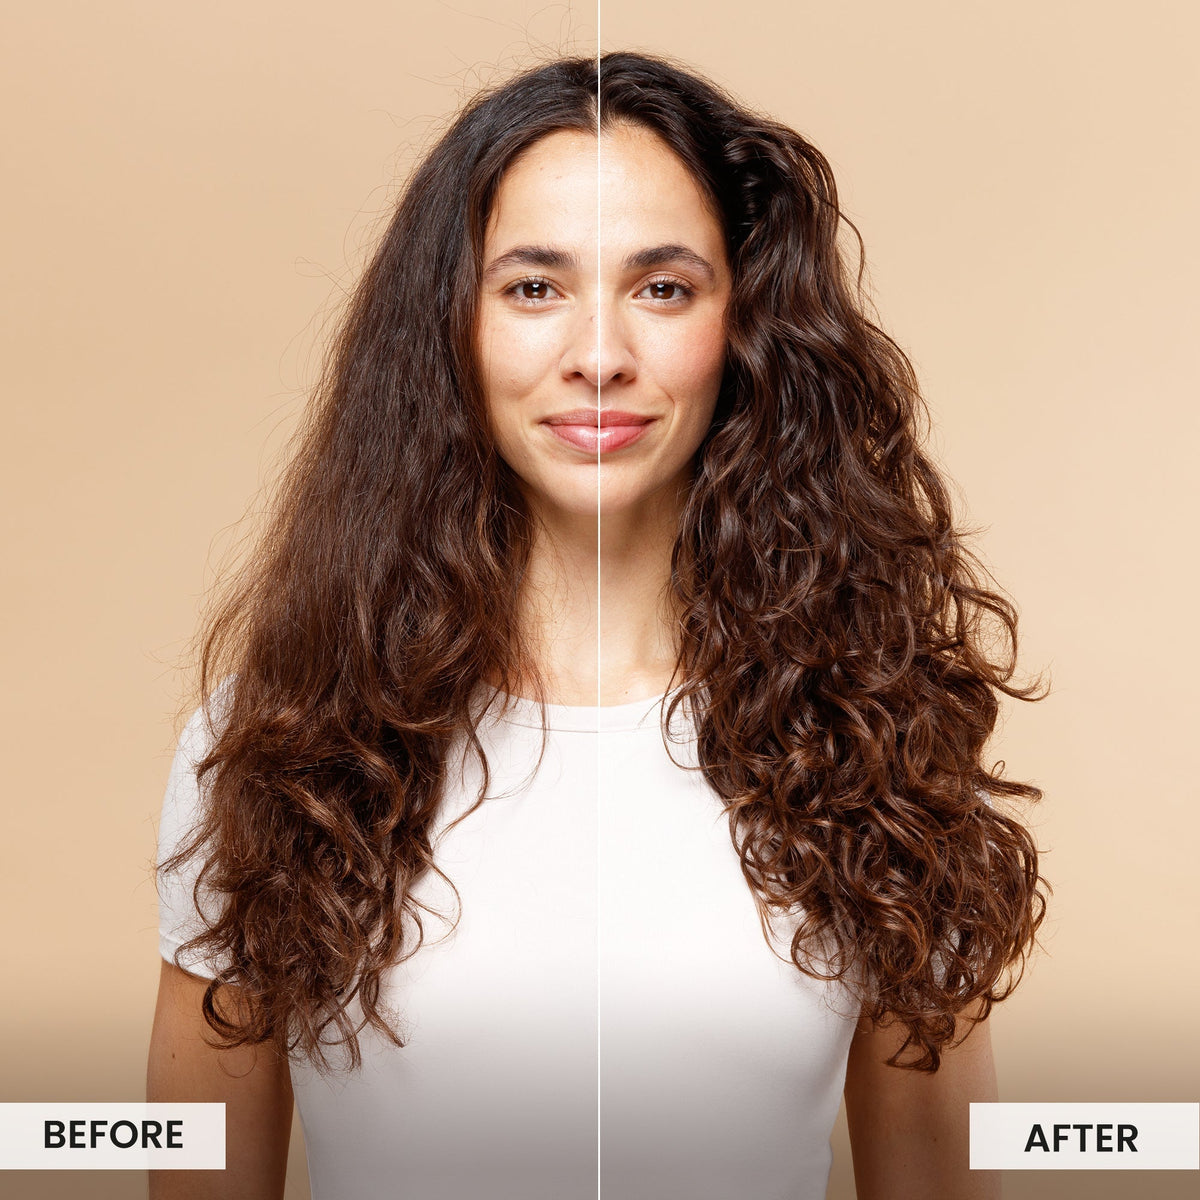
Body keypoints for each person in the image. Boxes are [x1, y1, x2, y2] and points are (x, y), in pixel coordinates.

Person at [148, 51, 1046, 1200]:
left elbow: (936, 1181)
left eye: (663, 287)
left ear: (746, 326)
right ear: (451, 332)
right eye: (534, 287)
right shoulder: (278, 749)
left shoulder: (874, 742)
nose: (600, 354)